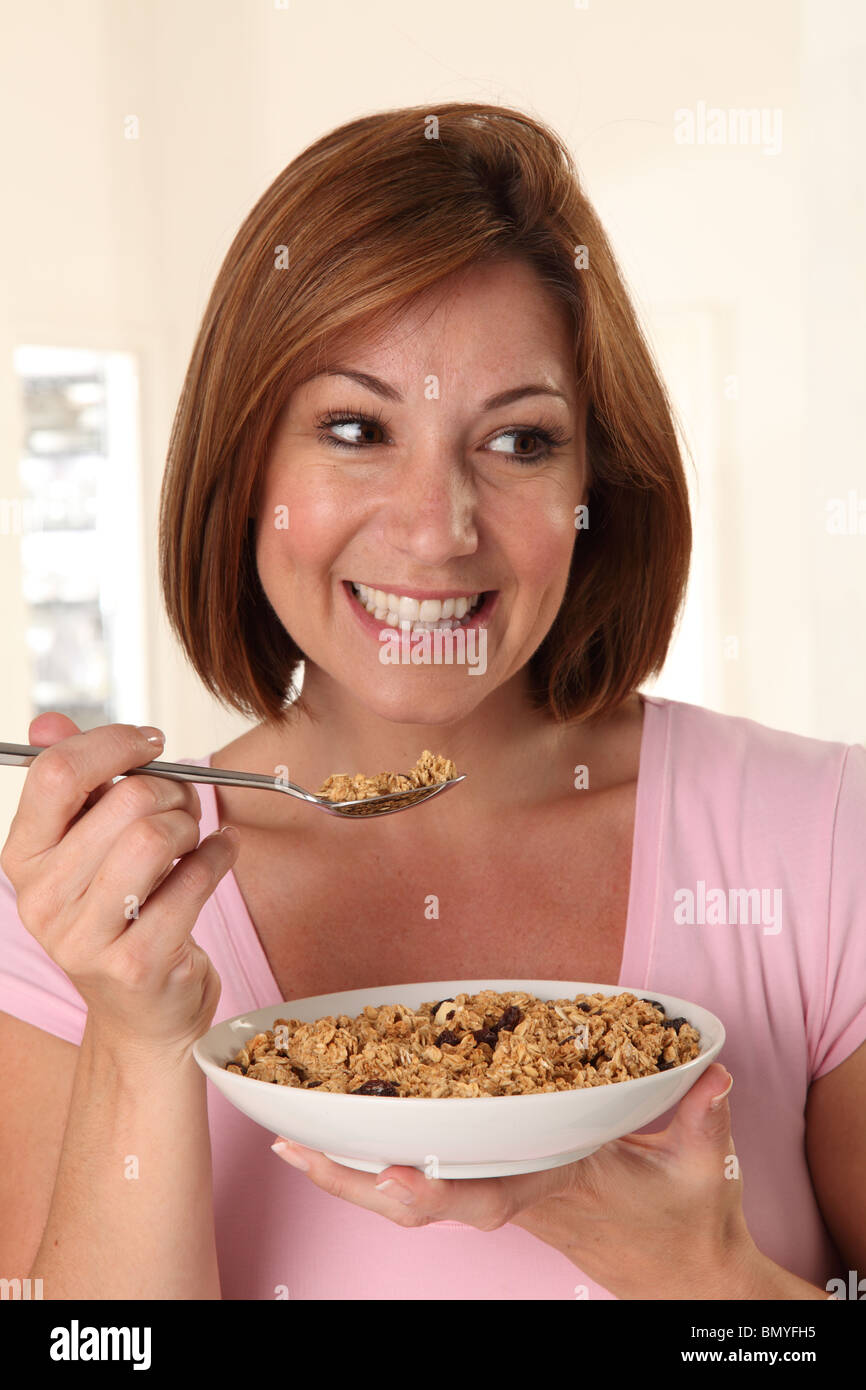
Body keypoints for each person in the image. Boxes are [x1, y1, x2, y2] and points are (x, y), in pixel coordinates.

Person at [0, 102, 862, 1301]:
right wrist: (140, 1041)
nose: (434, 529)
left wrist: (691, 1268)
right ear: (244, 470)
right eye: (354, 428)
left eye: (516, 443)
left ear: (593, 486)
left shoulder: (821, 841)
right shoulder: (85, 916)